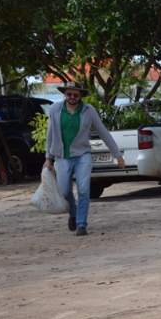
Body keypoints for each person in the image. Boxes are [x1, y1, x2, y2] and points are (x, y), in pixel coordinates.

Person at [43, 81, 125, 236]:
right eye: (69, 94)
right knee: (65, 192)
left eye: (75, 94)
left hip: (83, 156)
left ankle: (81, 224)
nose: (72, 97)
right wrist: (48, 158)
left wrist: (117, 155)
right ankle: (73, 214)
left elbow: (103, 132)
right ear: (65, 94)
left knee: (83, 190)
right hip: (62, 157)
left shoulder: (89, 110)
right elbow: (50, 134)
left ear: (80, 96)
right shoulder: (55, 109)